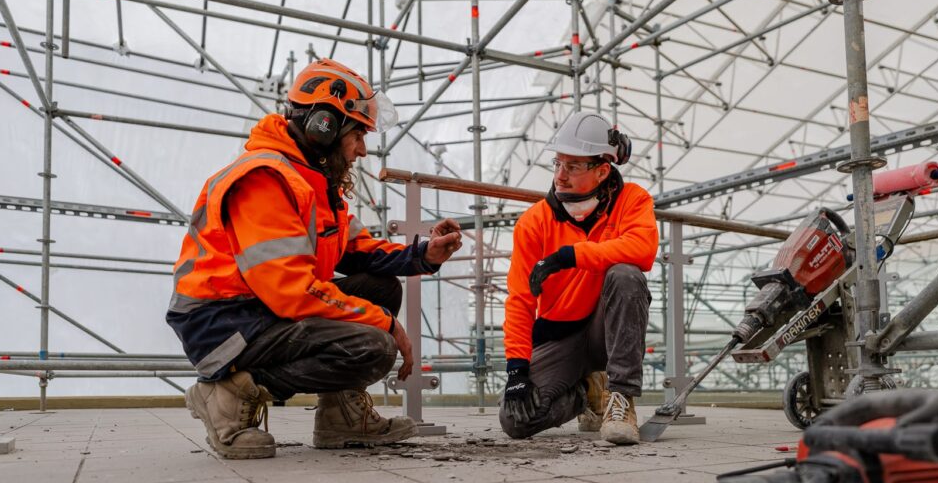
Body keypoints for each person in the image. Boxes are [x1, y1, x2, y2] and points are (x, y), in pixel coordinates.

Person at [167, 59, 462, 459]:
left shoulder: (312, 182)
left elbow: (357, 250)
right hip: (225, 324)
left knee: (380, 289)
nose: (361, 150)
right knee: (372, 346)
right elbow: (291, 292)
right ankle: (224, 396)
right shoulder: (264, 180)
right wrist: (386, 323)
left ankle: (339, 417)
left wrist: (423, 255)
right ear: (324, 127)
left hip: (260, 311)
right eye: (358, 135)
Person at [500, 113, 656, 445]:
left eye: (573, 166)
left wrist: (569, 256)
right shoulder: (534, 222)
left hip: (605, 329)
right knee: (515, 419)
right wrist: (516, 370)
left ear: (602, 170)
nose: (560, 175)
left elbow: (643, 250)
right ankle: (590, 391)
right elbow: (520, 299)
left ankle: (621, 399)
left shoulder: (632, 200)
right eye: (557, 163)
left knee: (626, 275)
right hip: (562, 336)